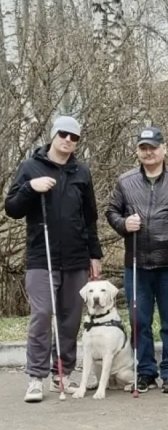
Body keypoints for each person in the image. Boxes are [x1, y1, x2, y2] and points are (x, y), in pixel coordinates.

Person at [5, 116, 103, 403]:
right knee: (42, 315)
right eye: (63, 134)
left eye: (74, 137)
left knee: (70, 319)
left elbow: (90, 218)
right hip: (41, 256)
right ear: (53, 135)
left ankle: (62, 373)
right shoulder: (30, 167)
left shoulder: (81, 172)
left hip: (76, 257)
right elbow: (12, 208)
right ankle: (36, 377)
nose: (68, 140)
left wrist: (95, 254)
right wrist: (30, 187)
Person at [105, 126, 168, 394]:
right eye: (143, 148)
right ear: (138, 151)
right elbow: (111, 212)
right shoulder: (125, 182)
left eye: (153, 148)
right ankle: (146, 371)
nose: (148, 152)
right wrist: (124, 224)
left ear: (164, 149)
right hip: (136, 263)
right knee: (139, 320)